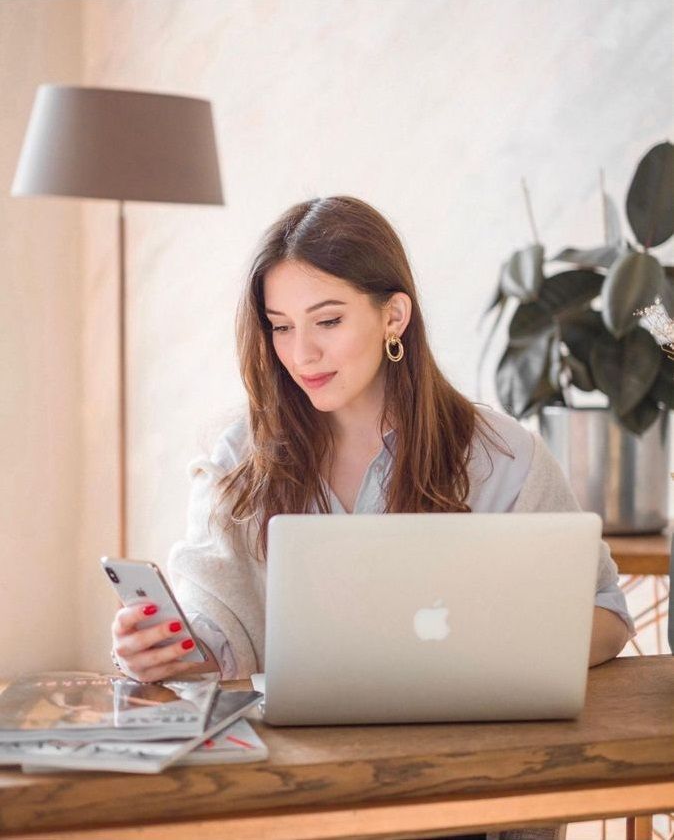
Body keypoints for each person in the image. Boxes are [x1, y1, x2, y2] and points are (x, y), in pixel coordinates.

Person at [110, 194, 634, 840]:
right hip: (296, 792)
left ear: (395, 315)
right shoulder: (240, 454)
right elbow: (217, 618)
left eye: (327, 320)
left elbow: (606, 611)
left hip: (462, 788)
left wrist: (495, 658)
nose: (301, 353)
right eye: (279, 325)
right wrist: (164, 648)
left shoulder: (501, 453)